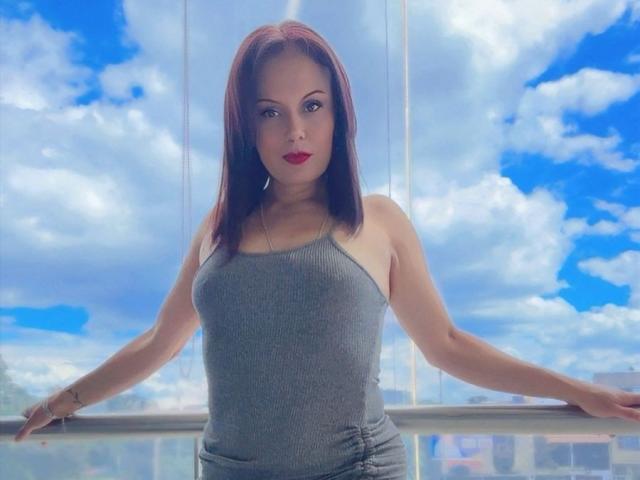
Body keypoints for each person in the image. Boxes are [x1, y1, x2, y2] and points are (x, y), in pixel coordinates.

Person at [14, 19, 640, 480]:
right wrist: (63, 401)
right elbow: (159, 341)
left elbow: (447, 345)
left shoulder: (378, 220)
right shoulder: (218, 226)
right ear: (245, 126)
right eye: (270, 112)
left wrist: (579, 391)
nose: (296, 131)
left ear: (338, 115)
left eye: (312, 106)